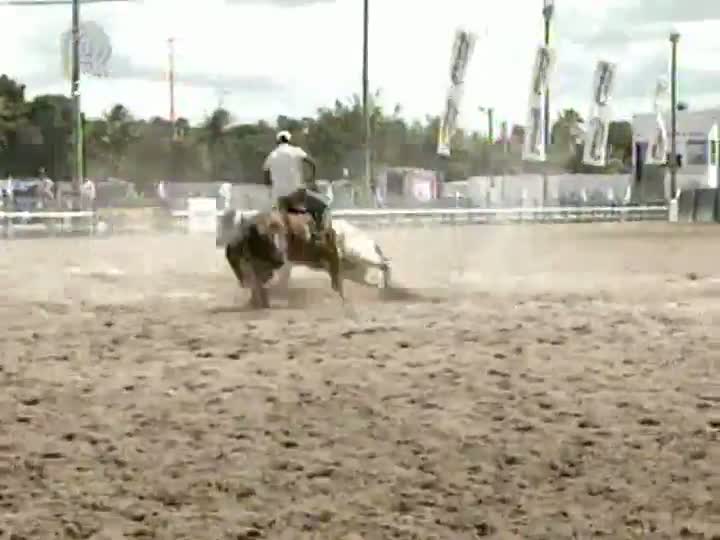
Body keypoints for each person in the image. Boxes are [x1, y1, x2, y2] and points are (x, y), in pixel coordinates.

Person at [262, 130, 327, 239]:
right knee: (322, 207)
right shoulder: (296, 151)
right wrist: (311, 179)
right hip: (297, 193)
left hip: (279, 197)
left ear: (277, 141)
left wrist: (270, 186)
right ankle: (319, 235)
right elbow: (312, 163)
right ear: (289, 140)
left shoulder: (271, 155)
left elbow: (265, 173)